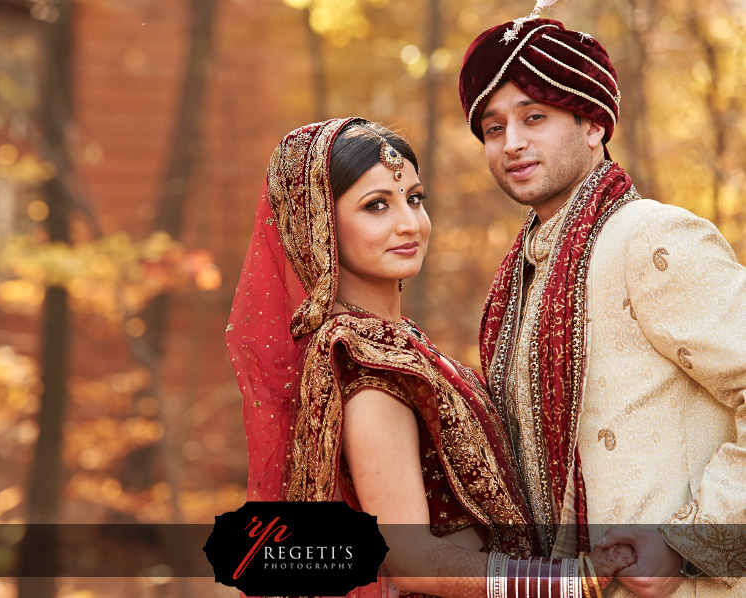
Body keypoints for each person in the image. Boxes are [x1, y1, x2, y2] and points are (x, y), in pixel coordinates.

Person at [227, 118, 633, 598]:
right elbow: (411, 558)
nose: (410, 223)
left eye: (414, 198)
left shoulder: (392, 343)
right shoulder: (366, 364)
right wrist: (568, 582)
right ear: (317, 225)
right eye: (376, 205)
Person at [458, 6, 746, 598]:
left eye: (533, 117)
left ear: (593, 125)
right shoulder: (520, 277)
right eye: (493, 128)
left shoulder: (651, 237)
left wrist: (687, 544)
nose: (511, 143)